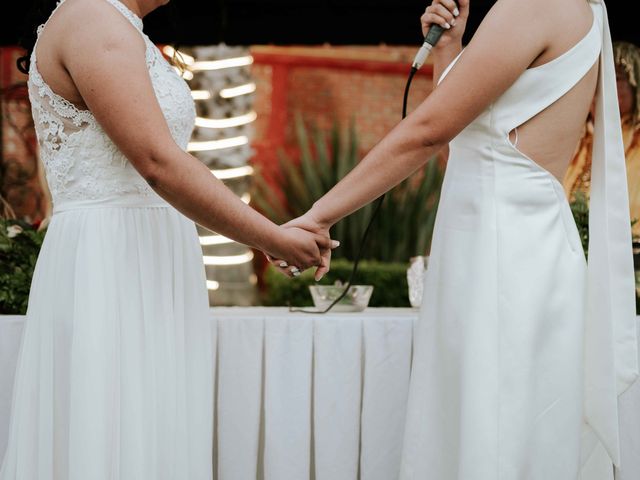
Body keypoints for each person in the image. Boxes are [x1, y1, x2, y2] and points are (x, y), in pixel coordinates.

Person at [271, 0, 639, 477]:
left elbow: (427, 131)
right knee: (496, 429)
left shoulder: (531, 5)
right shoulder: (574, 8)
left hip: (502, 254)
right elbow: (470, 146)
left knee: (493, 430)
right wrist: (450, 50)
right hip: (517, 245)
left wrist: (319, 216)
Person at [0, 0, 335, 478]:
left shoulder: (121, 26)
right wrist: (272, 238)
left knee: (151, 429)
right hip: (110, 260)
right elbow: (158, 163)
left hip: (153, 255)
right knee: (112, 428)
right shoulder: (93, 16)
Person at [564, 41, 640, 238]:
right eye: (594, 78)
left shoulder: (636, 143)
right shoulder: (572, 140)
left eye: (615, 78)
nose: (601, 86)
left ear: (635, 85)